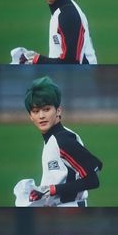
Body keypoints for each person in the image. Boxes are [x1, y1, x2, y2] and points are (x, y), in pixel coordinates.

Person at [13, 76, 102, 207]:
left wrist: (53, 189)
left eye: (46, 109)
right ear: (30, 117)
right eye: (36, 111)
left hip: (71, 207)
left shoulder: (62, 140)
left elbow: (92, 180)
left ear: (58, 110)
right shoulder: (52, 139)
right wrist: (42, 192)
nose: (41, 116)